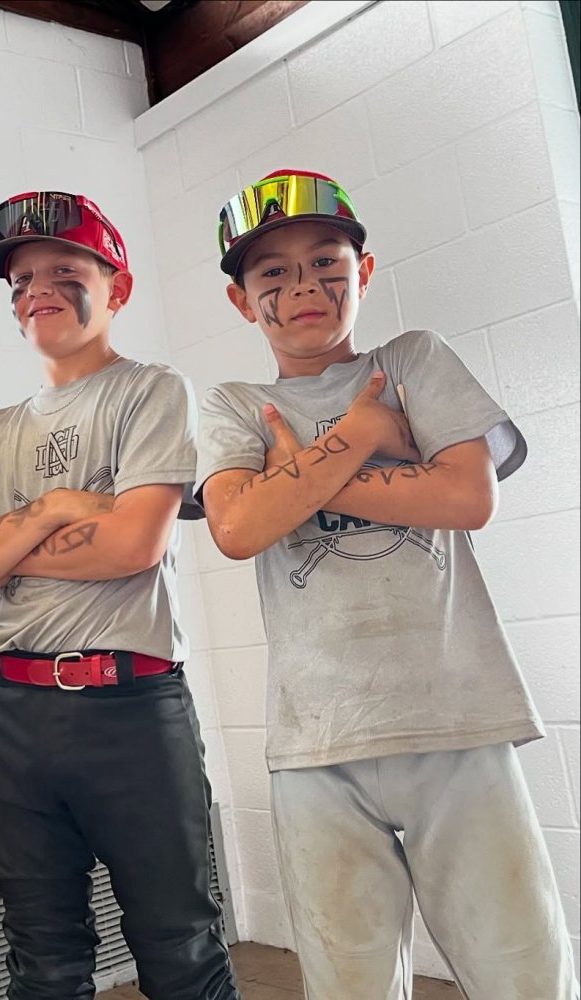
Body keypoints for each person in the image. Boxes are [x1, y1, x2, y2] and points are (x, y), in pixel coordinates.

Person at [195, 169, 579, 1000]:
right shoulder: (235, 404)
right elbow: (237, 528)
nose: (304, 287)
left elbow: (467, 497)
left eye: (325, 262)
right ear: (241, 300)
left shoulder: (413, 361)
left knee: (525, 974)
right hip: (316, 741)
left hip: (460, 719)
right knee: (349, 985)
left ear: (362, 272)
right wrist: (367, 434)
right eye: (273, 272)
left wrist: (300, 476)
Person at [0, 191, 240, 1000]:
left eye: (64, 271)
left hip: (132, 709)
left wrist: (8, 548)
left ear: (117, 288)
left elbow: (134, 544)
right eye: (22, 280)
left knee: (180, 948)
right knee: (41, 959)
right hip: (15, 715)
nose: (37, 289)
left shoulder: (151, 392)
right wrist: (61, 508)